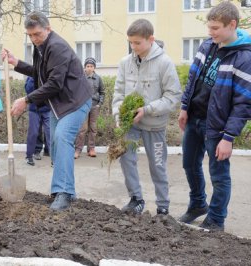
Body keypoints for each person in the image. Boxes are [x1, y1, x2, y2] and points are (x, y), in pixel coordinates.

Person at [2, 11, 92, 211]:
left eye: (38, 34)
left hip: (75, 101)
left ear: (48, 29)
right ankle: (66, 191)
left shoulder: (57, 47)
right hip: (59, 104)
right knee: (55, 143)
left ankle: (64, 193)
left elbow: (54, 83)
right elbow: (40, 73)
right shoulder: (41, 47)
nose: (34, 39)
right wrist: (16, 63)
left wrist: (26, 100)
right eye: (31, 36)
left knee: (61, 138)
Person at [178, 2, 251, 231]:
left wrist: (228, 137)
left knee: (219, 175)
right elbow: (193, 78)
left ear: (232, 25)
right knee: (189, 165)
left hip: (217, 128)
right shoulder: (207, 44)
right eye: (209, 27)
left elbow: (243, 103)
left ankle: (216, 220)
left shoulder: (244, 58)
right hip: (194, 119)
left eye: (215, 28)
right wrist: (184, 107)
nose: (210, 32)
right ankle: (198, 204)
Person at [112, 19, 181, 215]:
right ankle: (136, 199)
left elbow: (173, 96)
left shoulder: (164, 63)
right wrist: (119, 115)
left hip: (154, 124)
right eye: (130, 43)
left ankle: (163, 205)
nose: (133, 47)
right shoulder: (125, 63)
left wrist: (147, 109)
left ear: (151, 39)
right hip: (130, 124)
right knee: (126, 157)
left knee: (157, 164)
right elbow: (118, 94)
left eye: (137, 43)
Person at [74, 57, 105, 159]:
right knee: (83, 129)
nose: (89, 68)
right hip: (83, 106)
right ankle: (78, 149)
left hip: (94, 106)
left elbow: (102, 92)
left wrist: (99, 104)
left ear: (94, 67)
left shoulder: (98, 78)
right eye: (87, 66)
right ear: (85, 67)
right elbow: (76, 91)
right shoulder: (81, 78)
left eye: (91, 66)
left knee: (93, 128)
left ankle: (91, 148)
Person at [24, 76, 50, 166]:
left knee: (50, 132)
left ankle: (54, 157)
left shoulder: (48, 73)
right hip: (34, 109)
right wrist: (33, 77)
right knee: (34, 132)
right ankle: (29, 156)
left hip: (47, 109)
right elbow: (28, 90)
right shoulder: (31, 75)